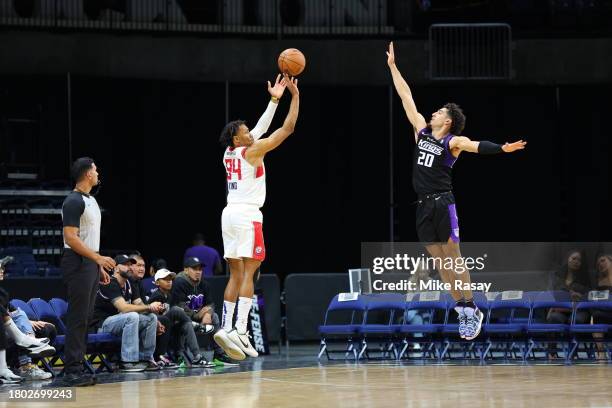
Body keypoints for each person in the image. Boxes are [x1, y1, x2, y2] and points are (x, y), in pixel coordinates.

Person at [386, 42, 526, 341]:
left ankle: (470, 306)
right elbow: (406, 97)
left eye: (438, 112)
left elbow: (477, 146)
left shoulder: (453, 142)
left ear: (447, 121)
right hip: (422, 206)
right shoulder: (421, 131)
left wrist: (502, 148)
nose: (433, 113)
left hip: (442, 203)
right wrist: (393, 67)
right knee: (440, 264)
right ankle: (462, 309)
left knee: (454, 258)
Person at [215, 73, 299, 359]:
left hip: (228, 214)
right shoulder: (253, 152)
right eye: (246, 131)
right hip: (249, 215)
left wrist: (275, 99)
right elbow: (285, 130)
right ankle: (240, 329)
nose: (251, 132)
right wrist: (294, 98)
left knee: (235, 274)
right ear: (238, 138)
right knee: (252, 271)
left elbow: (260, 129)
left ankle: (225, 327)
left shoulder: (229, 153)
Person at [60, 157, 115, 386]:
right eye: (95, 169)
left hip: (89, 262)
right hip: (77, 261)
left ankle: (78, 364)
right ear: (87, 174)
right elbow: (70, 238)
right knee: (78, 317)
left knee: (86, 317)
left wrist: (98, 264)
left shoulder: (90, 200)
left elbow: (89, 239)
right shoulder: (73, 201)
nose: (98, 172)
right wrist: (97, 258)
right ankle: (71, 370)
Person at [90, 255, 162, 372]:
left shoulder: (129, 283)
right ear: (116, 268)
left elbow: (139, 304)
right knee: (132, 316)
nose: (129, 267)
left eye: (130, 265)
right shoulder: (109, 282)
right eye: (125, 265)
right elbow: (123, 308)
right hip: (102, 325)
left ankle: (145, 358)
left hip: (120, 322)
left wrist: (152, 310)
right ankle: (128, 361)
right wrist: (149, 306)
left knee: (151, 318)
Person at [172, 257, 237, 366]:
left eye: (200, 269)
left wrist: (208, 313)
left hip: (199, 321)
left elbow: (210, 303)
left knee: (214, 316)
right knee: (186, 321)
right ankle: (197, 357)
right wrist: (197, 315)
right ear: (186, 270)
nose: (198, 272)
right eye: (194, 269)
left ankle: (218, 354)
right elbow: (180, 306)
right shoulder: (179, 283)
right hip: (182, 321)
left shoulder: (204, 284)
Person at [148, 268, 213, 368]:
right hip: (159, 327)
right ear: (157, 282)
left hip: (171, 326)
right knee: (175, 309)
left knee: (186, 324)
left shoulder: (170, 295)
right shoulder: (155, 296)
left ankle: (197, 357)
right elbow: (153, 317)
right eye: (165, 279)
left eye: (170, 279)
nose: (169, 281)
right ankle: (195, 325)